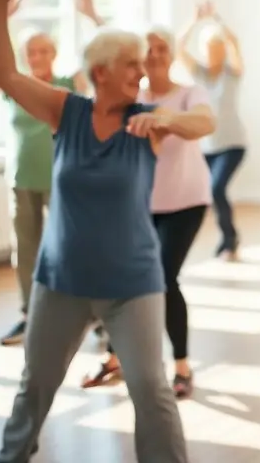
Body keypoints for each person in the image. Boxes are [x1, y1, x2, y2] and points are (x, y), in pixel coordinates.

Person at [0, 0, 203, 463]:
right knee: (36, 386)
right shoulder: (69, 111)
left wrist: (168, 118)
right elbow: (5, 75)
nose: (142, 72)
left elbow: (205, 123)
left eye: (142, 64)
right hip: (62, 280)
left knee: (151, 393)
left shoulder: (147, 121)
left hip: (133, 284)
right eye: (130, 64)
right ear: (101, 72)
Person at [0, 0, 102, 346]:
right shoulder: (15, 86)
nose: (37, 56)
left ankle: (93, 313)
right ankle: (29, 315)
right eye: (30, 52)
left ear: (54, 54)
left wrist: (92, 17)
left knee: (71, 247)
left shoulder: (70, 85)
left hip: (62, 180)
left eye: (44, 50)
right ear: (23, 57)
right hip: (22, 178)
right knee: (26, 251)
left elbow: (104, 60)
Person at [82, 26, 216, 397]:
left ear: (171, 55)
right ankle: (115, 356)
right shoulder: (131, 97)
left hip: (186, 201)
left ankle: (182, 366)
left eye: (162, 49)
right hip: (140, 204)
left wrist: (163, 119)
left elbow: (205, 123)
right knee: (125, 278)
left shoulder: (190, 93)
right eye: (149, 50)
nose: (155, 55)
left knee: (162, 277)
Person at [177, 1, 247, 261]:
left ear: (222, 49)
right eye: (208, 48)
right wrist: (194, 20)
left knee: (216, 189)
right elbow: (177, 48)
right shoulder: (199, 74)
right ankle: (228, 238)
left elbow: (235, 43)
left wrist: (217, 19)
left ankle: (229, 240)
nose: (213, 52)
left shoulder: (233, 73)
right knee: (209, 193)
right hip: (206, 147)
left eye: (217, 47)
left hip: (233, 144)